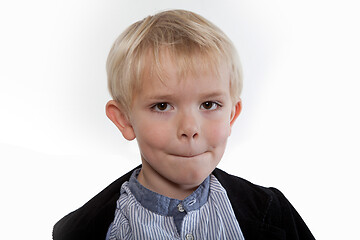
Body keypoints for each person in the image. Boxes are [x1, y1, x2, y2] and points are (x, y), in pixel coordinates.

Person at [53, 9, 315, 240]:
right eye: (162, 106)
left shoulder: (274, 211)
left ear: (232, 115)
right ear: (124, 119)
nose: (190, 128)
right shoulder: (85, 232)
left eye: (209, 105)